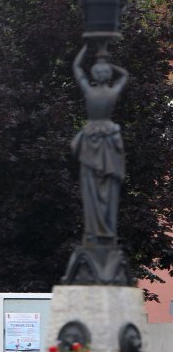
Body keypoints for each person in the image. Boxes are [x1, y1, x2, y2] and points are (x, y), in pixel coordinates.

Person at [71, 44, 128, 245]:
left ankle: (94, 230)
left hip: (91, 139)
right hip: (109, 141)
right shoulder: (112, 93)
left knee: (90, 187)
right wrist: (113, 65)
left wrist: (86, 47)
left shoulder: (88, 90)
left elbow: (77, 68)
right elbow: (124, 76)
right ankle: (105, 229)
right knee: (109, 188)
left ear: (94, 75)